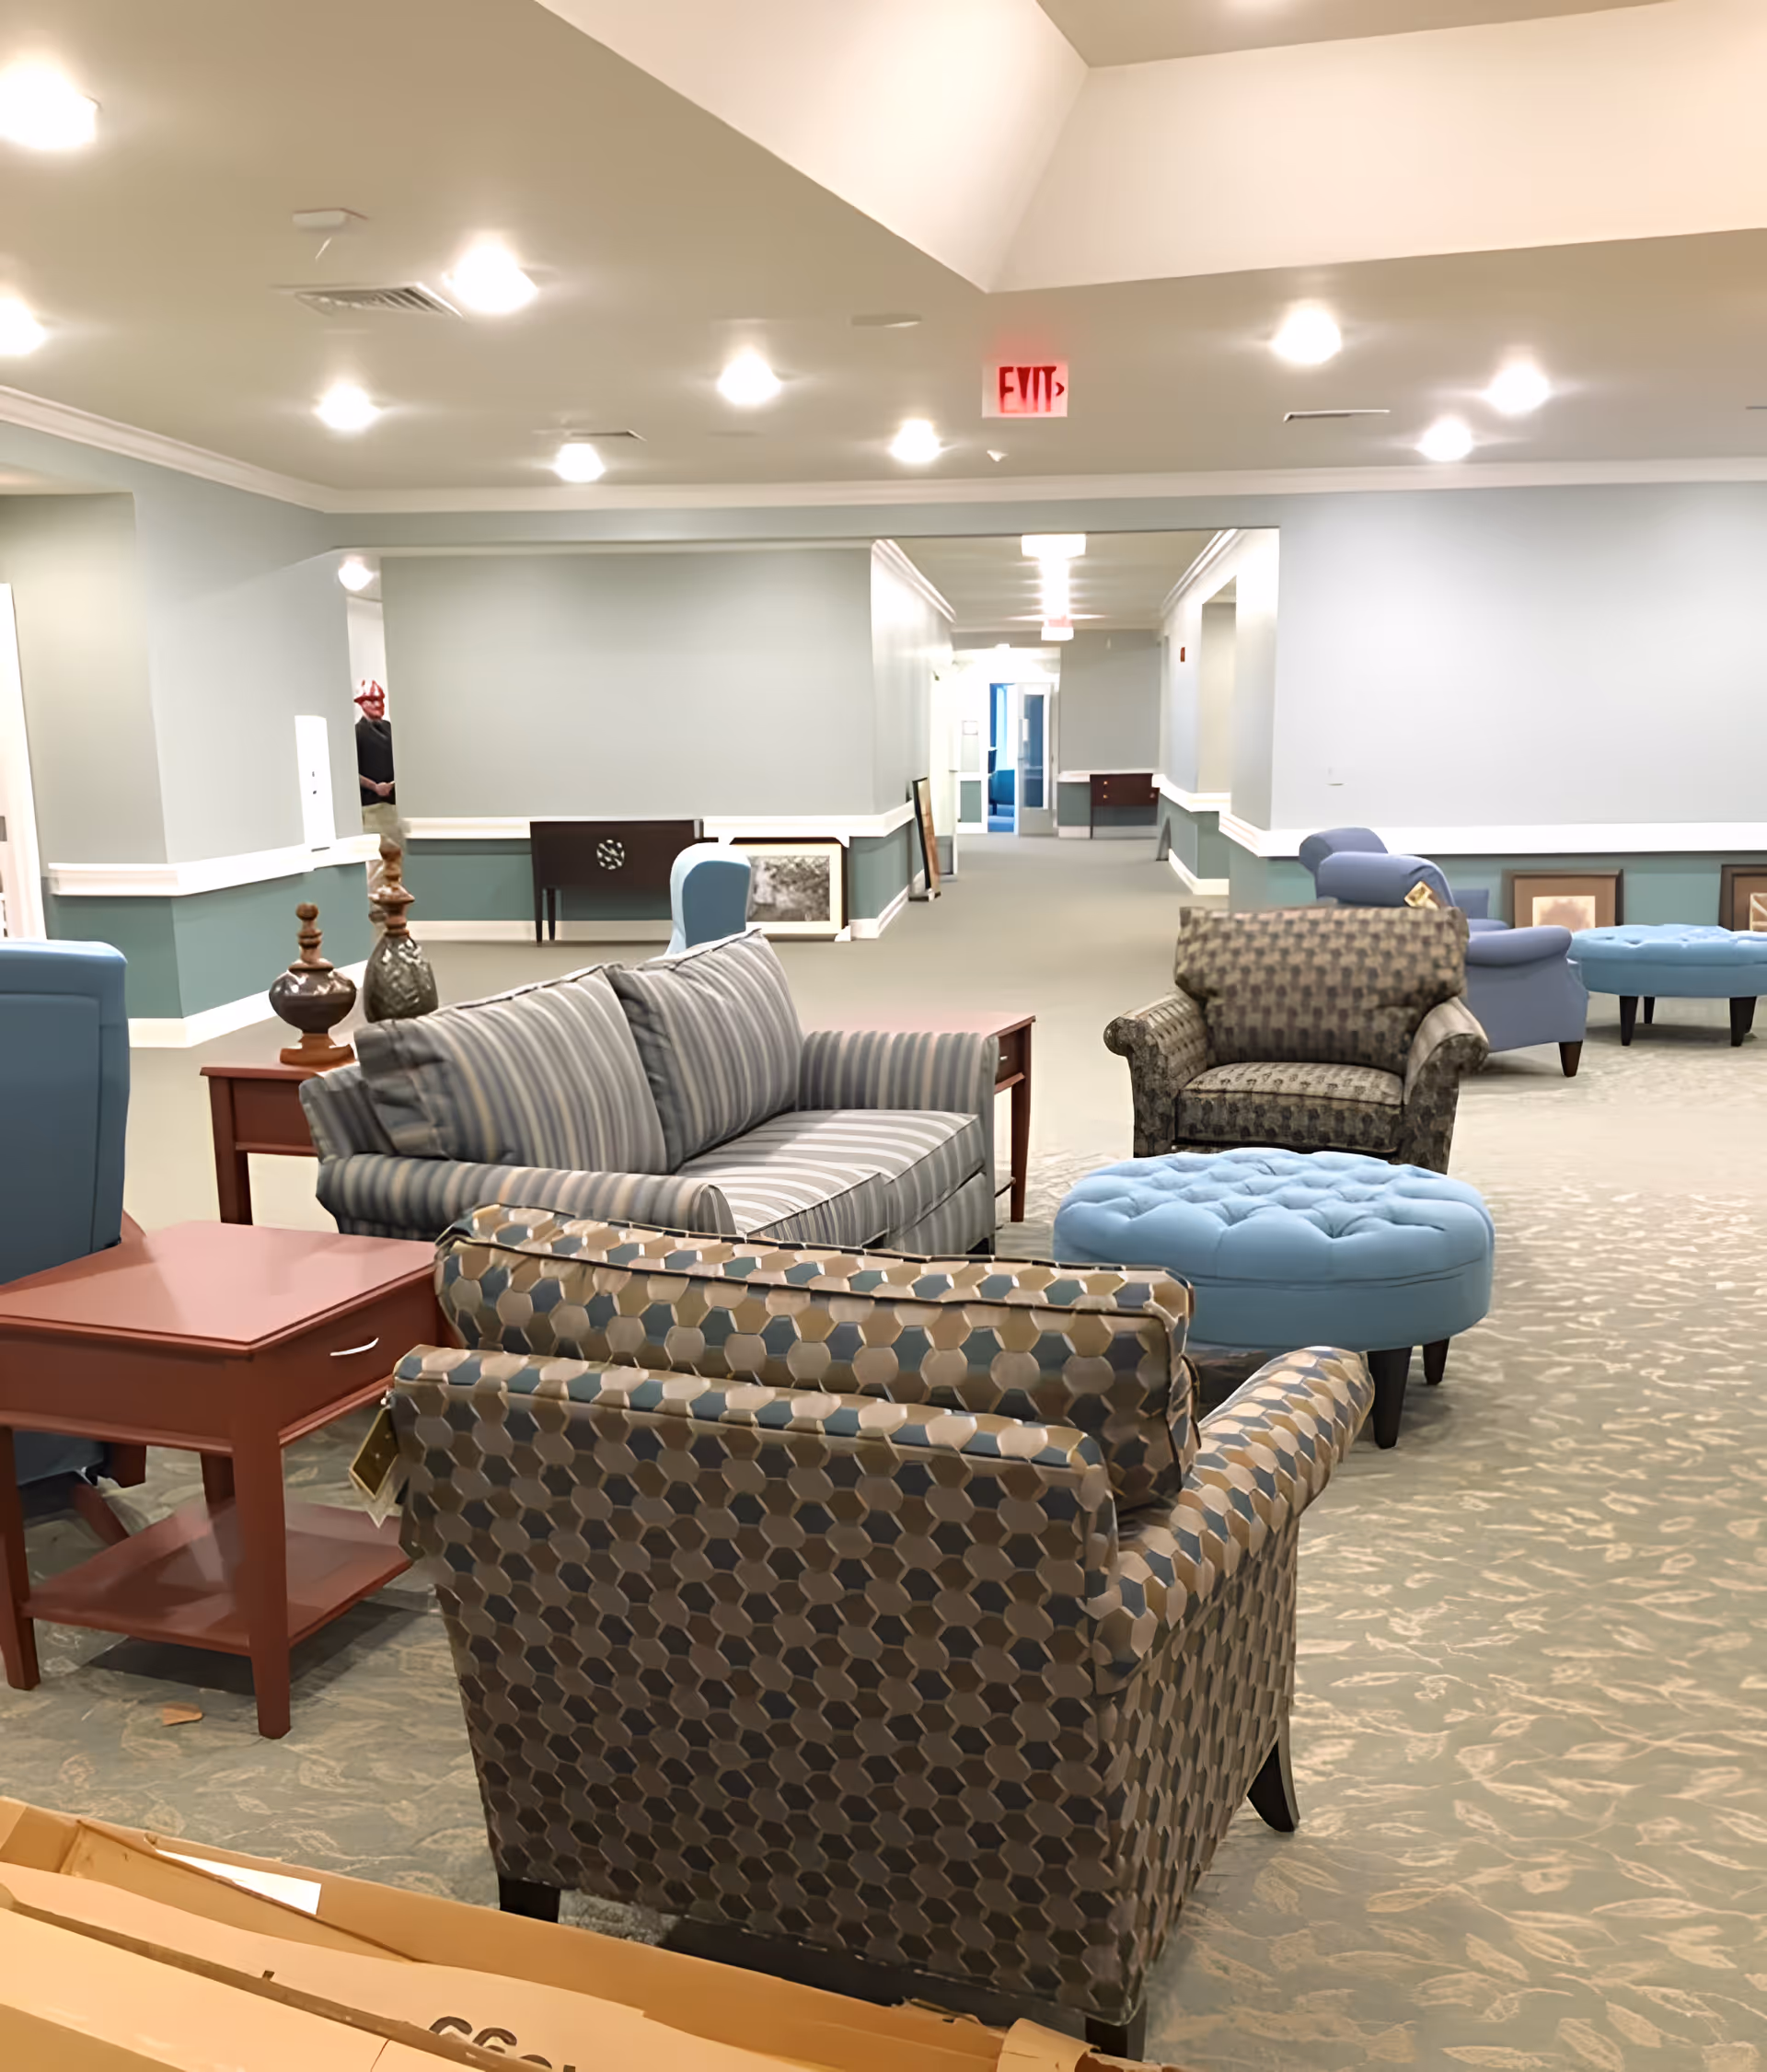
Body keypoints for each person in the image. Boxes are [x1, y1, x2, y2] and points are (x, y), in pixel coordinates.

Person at [355, 680, 403, 925]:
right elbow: (351, 769)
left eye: (381, 700)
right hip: (372, 805)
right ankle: (376, 905)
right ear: (362, 704)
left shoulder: (390, 729)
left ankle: (392, 901)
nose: (378, 705)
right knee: (376, 861)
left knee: (395, 857)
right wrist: (375, 786)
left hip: (393, 805)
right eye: (373, 700)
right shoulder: (357, 733)